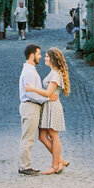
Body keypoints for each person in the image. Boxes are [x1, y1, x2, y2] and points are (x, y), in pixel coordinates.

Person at [26, 47, 70, 175]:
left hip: (53, 106)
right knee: (42, 136)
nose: (44, 58)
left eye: (46, 56)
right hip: (47, 106)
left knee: (53, 135)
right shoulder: (52, 72)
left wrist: (32, 89)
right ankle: (60, 160)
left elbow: (48, 92)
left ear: (53, 59)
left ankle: (55, 165)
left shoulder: (56, 74)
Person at [18, 43, 45, 175]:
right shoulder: (29, 72)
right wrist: (46, 99)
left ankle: (25, 165)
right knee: (28, 138)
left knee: (28, 137)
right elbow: (31, 94)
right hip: (30, 105)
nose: (40, 56)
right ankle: (24, 166)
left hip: (30, 106)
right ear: (32, 55)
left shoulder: (30, 70)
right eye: (39, 54)